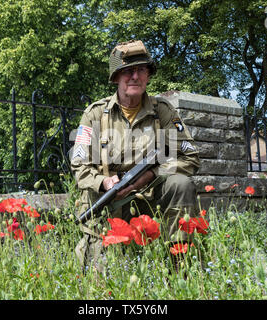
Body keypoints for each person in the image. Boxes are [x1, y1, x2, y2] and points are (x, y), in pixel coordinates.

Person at [70, 40, 200, 274]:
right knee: (99, 278)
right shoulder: (95, 115)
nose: (135, 76)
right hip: (111, 201)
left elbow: (189, 158)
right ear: (116, 77)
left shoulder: (163, 111)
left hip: (152, 198)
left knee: (181, 183)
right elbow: (80, 166)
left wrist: (152, 174)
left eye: (141, 70)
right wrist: (104, 183)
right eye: (127, 71)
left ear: (148, 76)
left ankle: (180, 269)